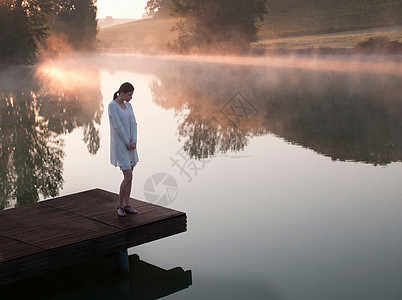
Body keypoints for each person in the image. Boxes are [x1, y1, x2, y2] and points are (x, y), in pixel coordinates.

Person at [108, 82, 139, 216]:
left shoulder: (129, 106)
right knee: (128, 176)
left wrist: (134, 141)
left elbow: (135, 124)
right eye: (129, 95)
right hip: (121, 145)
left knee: (131, 177)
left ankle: (127, 205)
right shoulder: (112, 106)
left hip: (131, 145)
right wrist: (127, 142)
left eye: (131, 95)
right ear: (121, 93)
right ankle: (120, 206)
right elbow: (117, 125)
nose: (131, 97)